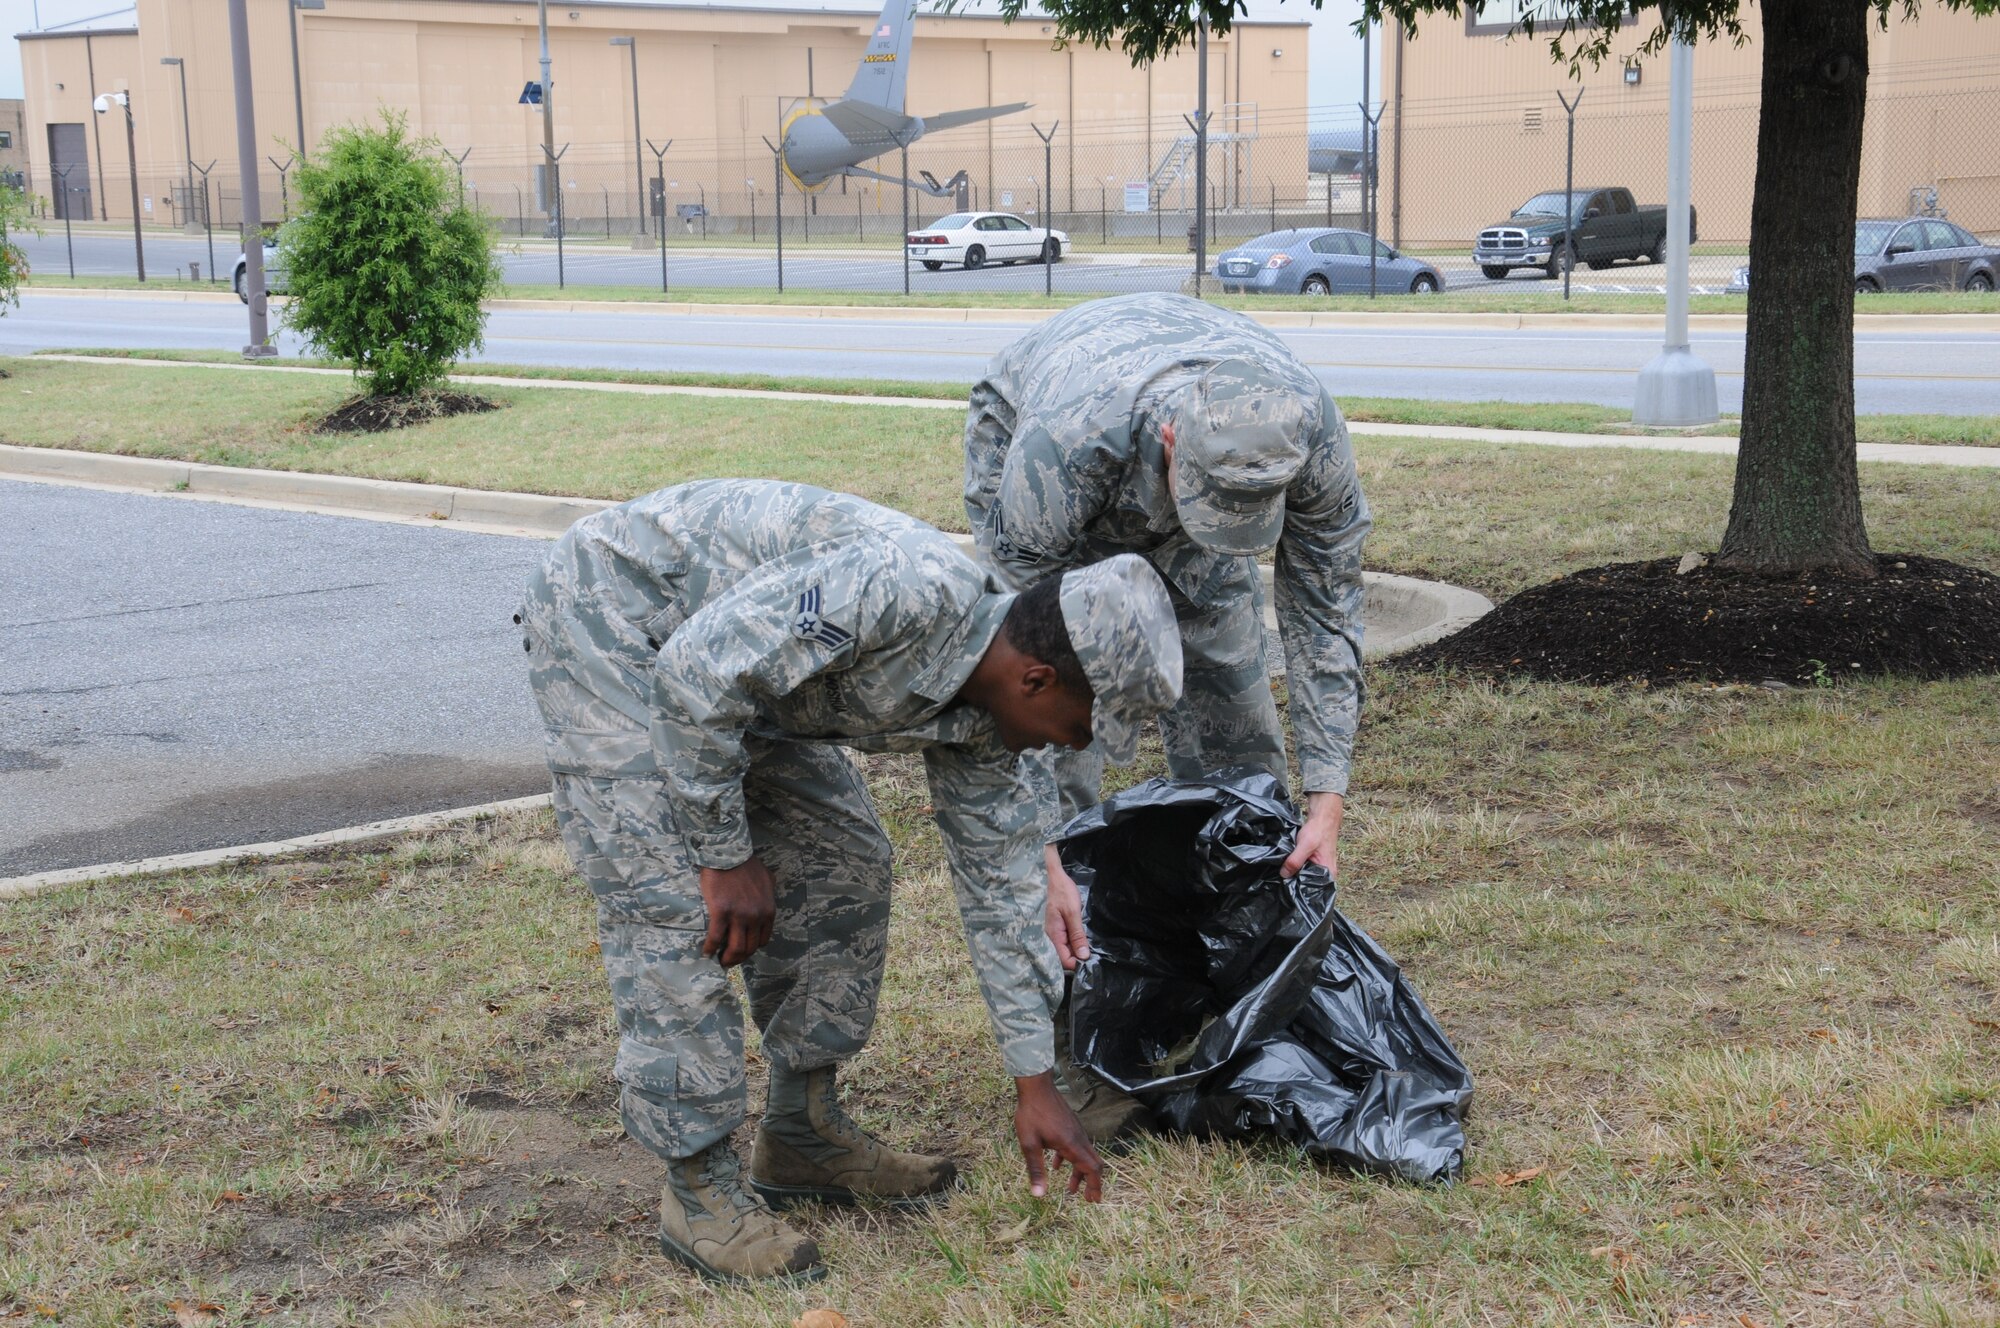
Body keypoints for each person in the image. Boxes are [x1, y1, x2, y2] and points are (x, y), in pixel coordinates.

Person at [518, 479, 1183, 1284]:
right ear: (1036, 680)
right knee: (669, 901)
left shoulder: (987, 716)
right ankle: (697, 1189)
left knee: (845, 859)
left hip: (734, 682)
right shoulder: (896, 591)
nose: (1066, 747)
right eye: (1079, 730)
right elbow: (694, 680)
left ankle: (802, 1131)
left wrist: (1034, 1084)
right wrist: (724, 854)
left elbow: (1005, 898)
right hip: (619, 628)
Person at [963, 292, 1371, 1137]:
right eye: (1213, 505)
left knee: (1235, 715)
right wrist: (1039, 844)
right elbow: (1019, 668)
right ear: (1177, 444)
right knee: (1068, 736)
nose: (1229, 531)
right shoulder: (1063, 451)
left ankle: (1235, 978)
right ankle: (1083, 1002)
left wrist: (1327, 793)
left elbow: (1325, 612)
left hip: (1158, 459)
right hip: (1053, 459)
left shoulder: (1310, 434)